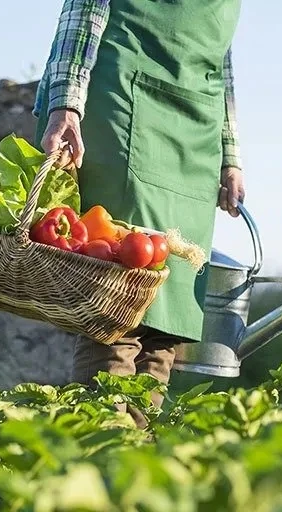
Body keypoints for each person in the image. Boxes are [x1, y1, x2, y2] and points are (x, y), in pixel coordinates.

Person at [32, 0, 245, 428]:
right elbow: (84, 9)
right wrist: (66, 105)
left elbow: (219, 53)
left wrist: (230, 154)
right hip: (126, 100)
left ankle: (137, 468)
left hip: (196, 129)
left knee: (168, 323)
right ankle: (100, 456)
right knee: (117, 306)